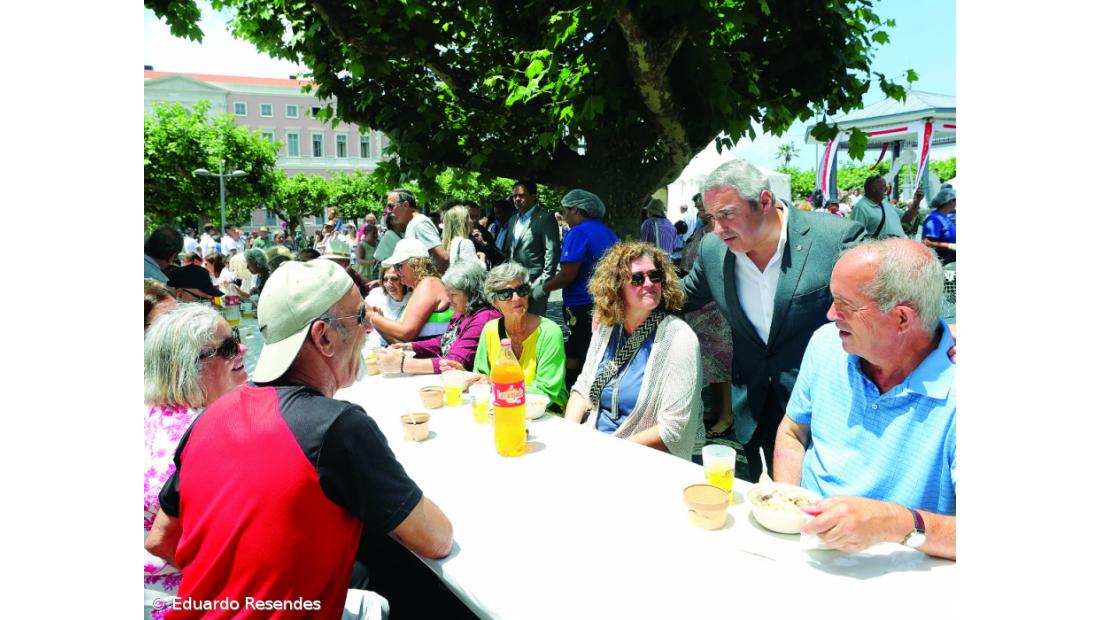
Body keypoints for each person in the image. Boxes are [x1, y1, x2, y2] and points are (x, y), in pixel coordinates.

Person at [144, 260, 453, 618]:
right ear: (323, 336)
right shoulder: (338, 427)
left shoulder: (210, 417)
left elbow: (161, 539)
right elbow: (436, 539)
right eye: (359, 316)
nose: (369, 327)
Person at [680, 158, 865, 481]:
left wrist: (942, 328)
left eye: (727, 214)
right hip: (756, 409)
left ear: (764, 201)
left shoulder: (833, 238)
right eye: (711, 218)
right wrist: (620, 300)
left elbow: (894, 287)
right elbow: (680, 296)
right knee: (766, 507)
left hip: (826, 410)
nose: (718, 228)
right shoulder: (712, 250)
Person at [773, 239, 955, 560]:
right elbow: (792, 432)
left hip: (897, 574)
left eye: (845, 304)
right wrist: (788, 508)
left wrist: (894, 523)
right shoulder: (826, 345)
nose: (830, 314)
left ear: (901, 319)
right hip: (804, 553)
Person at [143, 303, 249, 617]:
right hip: (186, 595)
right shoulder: (204, 435)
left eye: (238, 337)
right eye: (228, 347)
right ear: (188, 365)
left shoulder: (152, 408)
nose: (243, 348)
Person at [564, 242, 704, 461]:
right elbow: (583, 387)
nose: (649, 284)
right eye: (637, 278)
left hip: (644, 458)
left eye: (655, 276)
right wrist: (569, 434)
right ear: (617, 286)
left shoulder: (679, 338)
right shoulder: (607, 327)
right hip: (595, 445)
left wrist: (608, 453)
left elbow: (673, 429)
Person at [540, 189, 619, 388]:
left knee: (576, 349)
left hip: (581, 303)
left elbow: (568, 274)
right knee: (599, 348)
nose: (565, 217)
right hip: (607, 302)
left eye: (566, 211)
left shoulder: (578, 232)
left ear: (576, 209)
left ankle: (569, 392)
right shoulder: (609, 232)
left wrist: (543, 288)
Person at [470, 262, 568, 411]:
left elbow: (546, 392)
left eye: (521, 290)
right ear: (494, 302)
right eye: (506, 294)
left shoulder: (549, 332)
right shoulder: (490, 330)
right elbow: (482, 377)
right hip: (501, 409)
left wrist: (496, 386)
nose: (516, 298)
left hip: (544, 413)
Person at [378, 262, 502, 374]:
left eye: (453, 294)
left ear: (472, 294)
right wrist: (409, 346)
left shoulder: (484, 317)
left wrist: (401, 364)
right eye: (447, 293)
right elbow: (445, 341)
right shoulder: (463, 312)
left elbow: (455, 362)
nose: (448, 299)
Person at [679, 204, 735, 439]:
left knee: (723, 368)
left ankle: (727, 416)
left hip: (715, 309)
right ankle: (716, 409)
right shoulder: (701, 231)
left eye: (702, 206)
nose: (699, 209)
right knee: (709, 366)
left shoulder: (722, 235)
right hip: (697, 307)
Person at [491, 180, 561, 316]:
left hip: (534, 285)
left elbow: (552, 256)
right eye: (514, 196)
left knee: (534, 328)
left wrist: (540, 287)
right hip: (512, 286)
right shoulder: (512, 221)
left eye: (521, 195)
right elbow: (509, 254)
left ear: (533, 196)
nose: (517, 199)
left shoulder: (544, 218)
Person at [368, 238, 453, 343]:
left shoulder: (428, 284)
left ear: (416, 263)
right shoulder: (423, 287)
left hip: (435, 358)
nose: (396, 271)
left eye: (398, 265)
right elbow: (402, 344)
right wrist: (379, 322)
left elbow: (406, 333)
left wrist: (372, 316)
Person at [389, 187, 449, 270]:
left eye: (391, 206)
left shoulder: (419, 223)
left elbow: (443, 258)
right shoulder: (413, 223)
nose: (389, 211)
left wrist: (432, 280)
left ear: (405, 205)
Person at [850, 174, 922, 239]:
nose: (886, 189)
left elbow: (906, 218)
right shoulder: (861, 208)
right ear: (873, 188)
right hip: (883, 252)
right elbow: (856, 238)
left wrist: (917, 201)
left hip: (899, 249)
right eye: (883, 186)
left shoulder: (885, 203)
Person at [365, 265, 411, 350]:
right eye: (385, 279)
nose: (389, 283)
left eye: (394, 279)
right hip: (370, 348)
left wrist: (379, 322)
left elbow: (401, 345)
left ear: (403, 279)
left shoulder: (413, 300)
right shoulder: (376, 295)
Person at [921, 186, 957, 265]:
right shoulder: (934, 218)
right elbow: (927, 242)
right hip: (941, 263)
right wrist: (950, 246)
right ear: (951, 201)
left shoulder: (945, 218)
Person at [441, 204, 483, 269]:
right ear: (463, 222)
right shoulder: (465, 243)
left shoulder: (446, 244)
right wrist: (482, 259)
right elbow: (475, 274)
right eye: (469, 217)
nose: (472, 221)